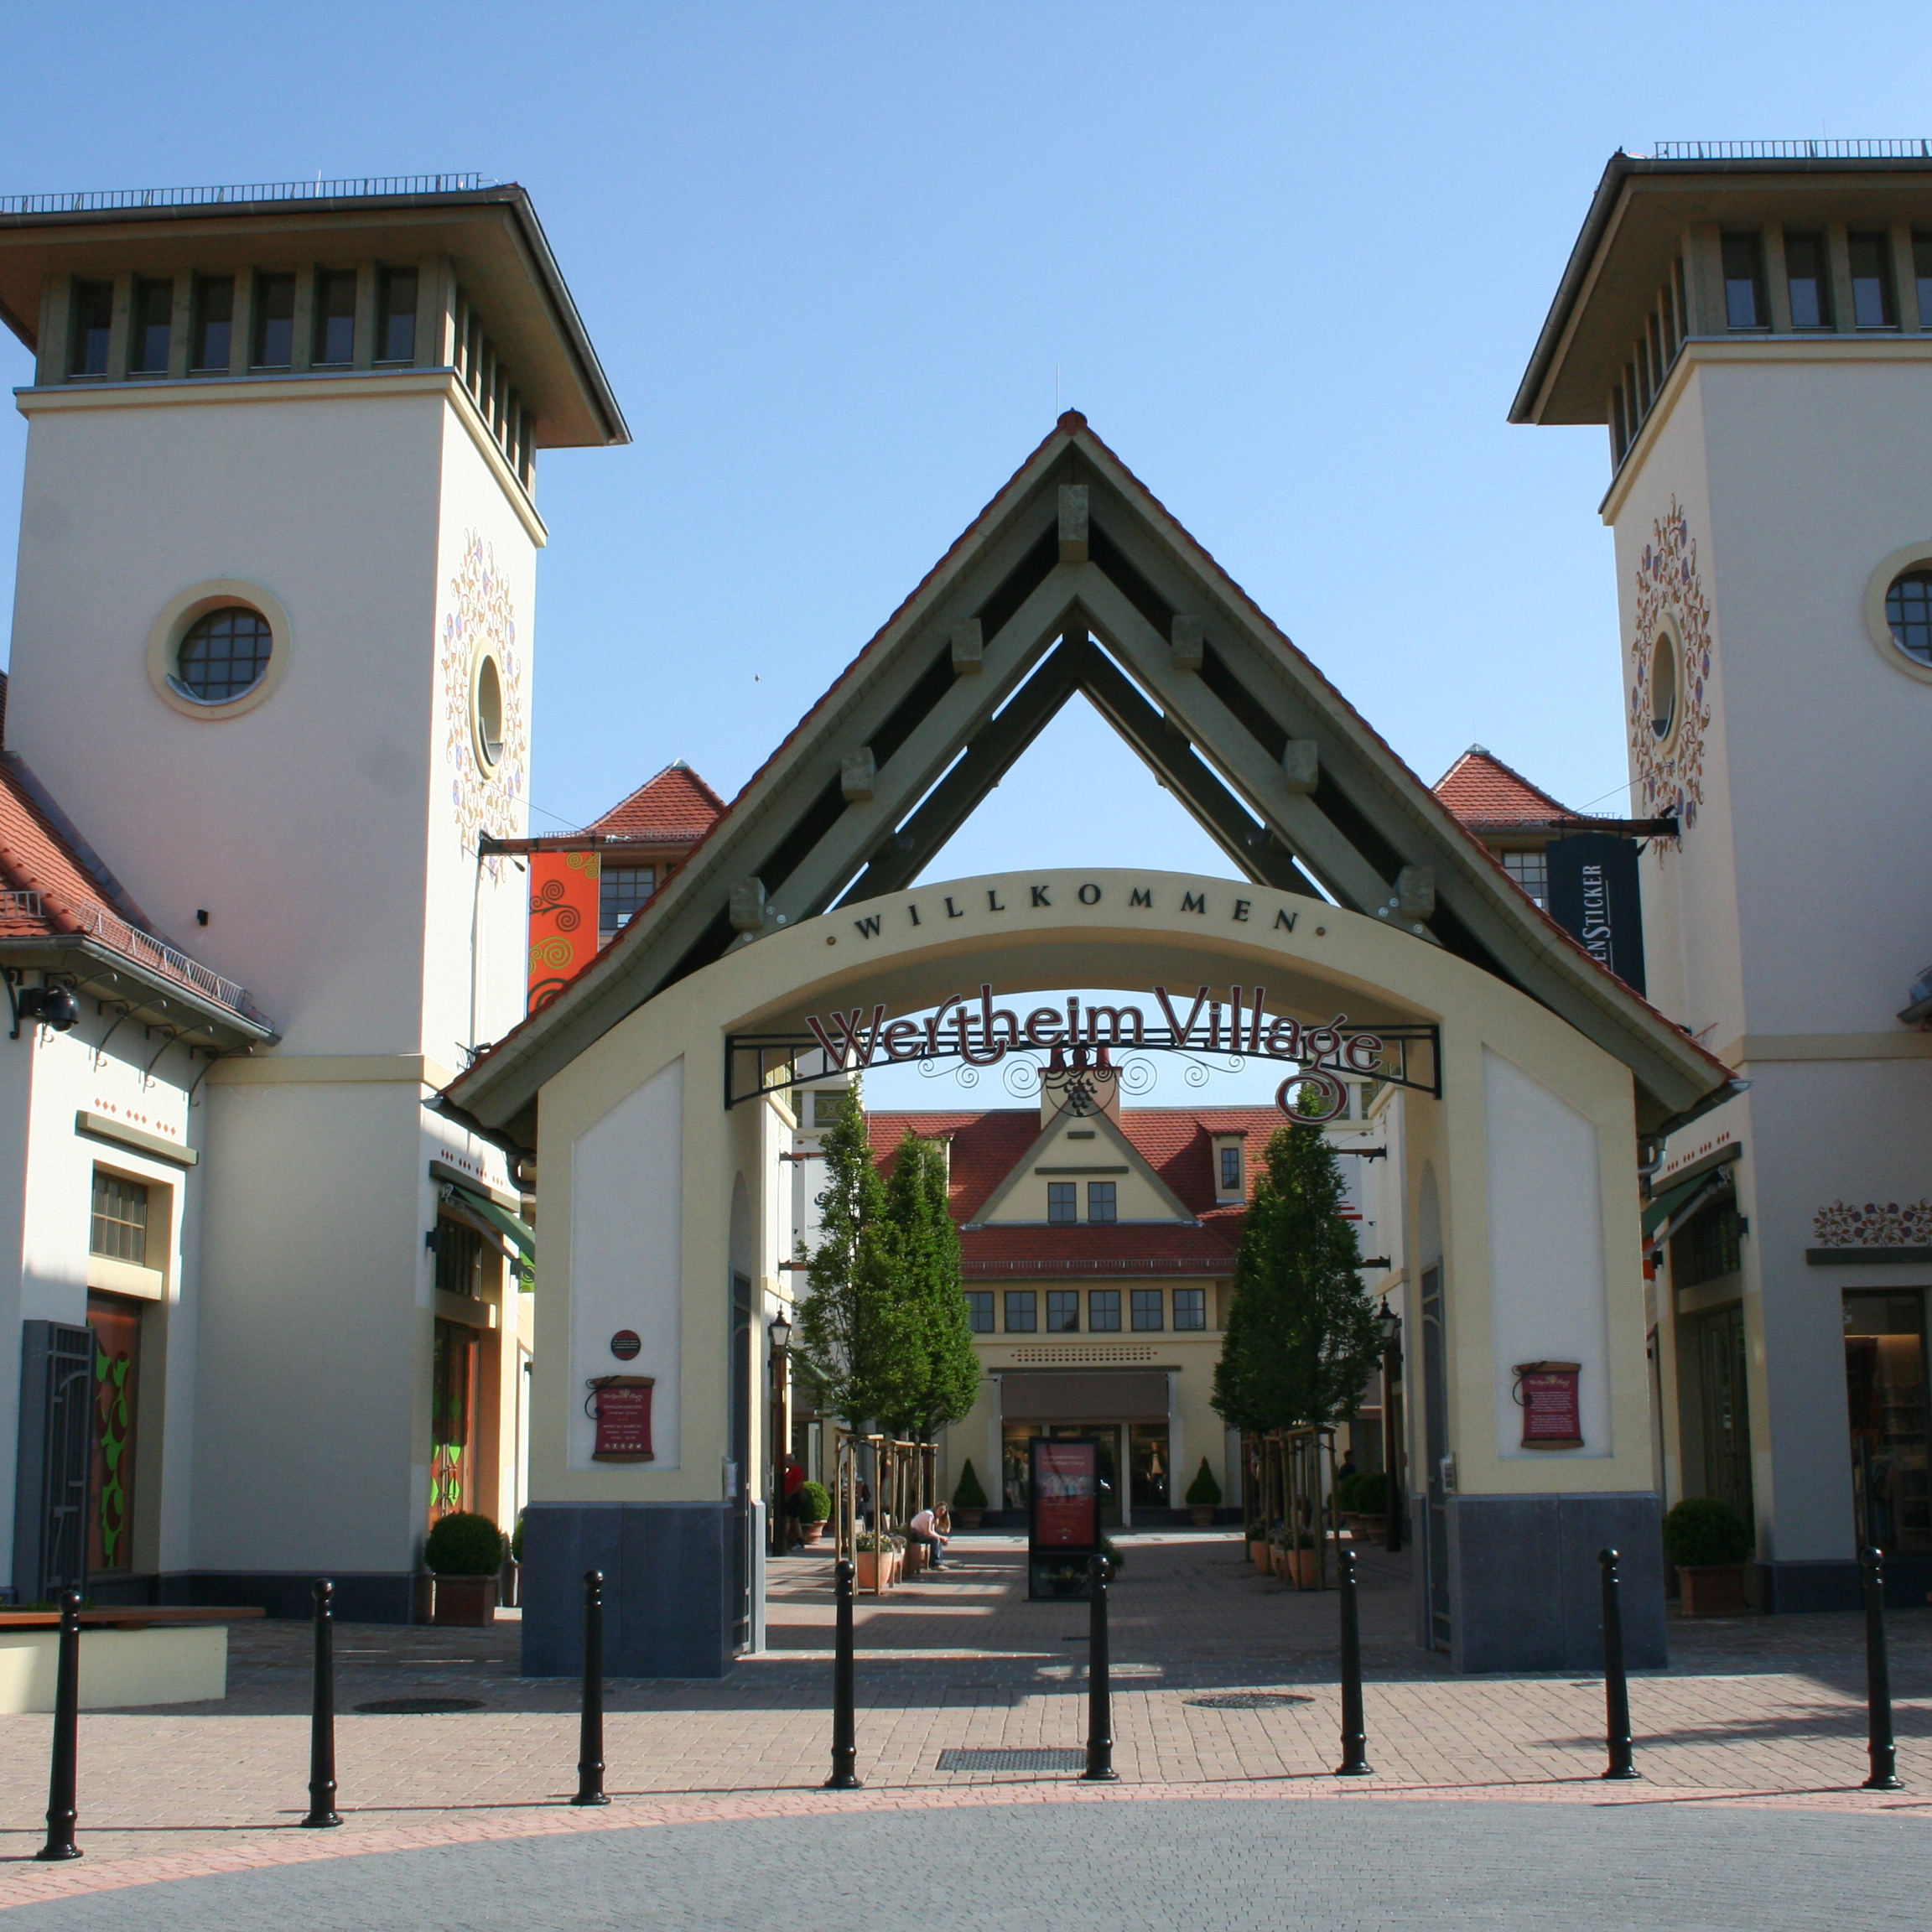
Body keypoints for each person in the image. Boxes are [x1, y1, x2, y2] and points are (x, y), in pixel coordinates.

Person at [907, 1502, 948, 1571]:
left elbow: (932, 1531)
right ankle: (935, 1563)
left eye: (944, 1511)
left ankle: (939, 1562)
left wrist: (942, 1537)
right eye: (941, 1510)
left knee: (937, 1539)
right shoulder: (929, 1515)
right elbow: (928, 1531)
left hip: (919, 1534)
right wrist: (941, 1537)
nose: (942, 1512)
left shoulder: (932, 1516)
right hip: (914, 1535)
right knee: (935, 1540)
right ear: (936, 1509)